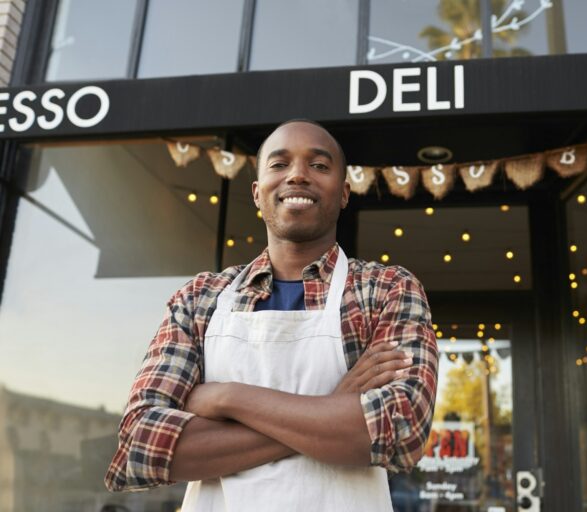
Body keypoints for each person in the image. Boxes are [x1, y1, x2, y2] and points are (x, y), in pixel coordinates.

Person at [104, 119, 438, 511]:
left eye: (319, 165)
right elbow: (142, 446)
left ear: (344, 192)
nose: (297, 174)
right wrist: (333, 405)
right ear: (257, 193)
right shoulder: (199, 299)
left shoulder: (387, 289)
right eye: (279, 164)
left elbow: (400, 431)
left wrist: (228, 398)